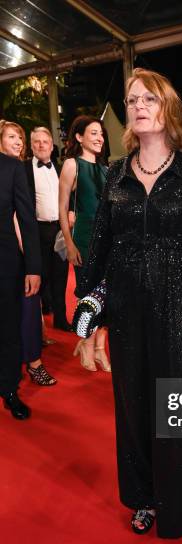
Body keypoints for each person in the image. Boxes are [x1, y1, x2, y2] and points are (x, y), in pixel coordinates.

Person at [75, 68, 182, 538]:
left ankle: (174, 504)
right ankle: (142, 496)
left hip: (176, 306)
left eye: (149, 98)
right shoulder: (115, 172)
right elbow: (99, 247)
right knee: (131, 405)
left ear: (168, 106)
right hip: (126, 305)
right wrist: (88, 309)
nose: (138, 105)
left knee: (175, 406)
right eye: (132, 100)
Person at [0, 120, 56, 387]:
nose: (18, 142)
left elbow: (25, 217)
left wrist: (31, 262)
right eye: (12, 137)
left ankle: (33, 363)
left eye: (20, 137)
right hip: (13, 252)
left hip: (22, 254)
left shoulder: (19, 169)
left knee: (28, 309)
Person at [59, 116, 110, 372]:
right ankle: (86, 345)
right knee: (89, 293)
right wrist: (68, 243)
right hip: (85, 240)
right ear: (79, 137)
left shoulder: (106, 168)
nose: (100, 138)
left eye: (101, 133)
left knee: (108, 295)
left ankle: (100, 347)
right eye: (93, 133)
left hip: (108, 242)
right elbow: (62, 207)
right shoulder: (72, 165)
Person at [0, 128, 41, 418]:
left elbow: (27, 219)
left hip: (5, 262)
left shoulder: (12, 168)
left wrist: (33, 268)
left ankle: (9, 389)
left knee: (9, 327)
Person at [25, 126, 70, 330]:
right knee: (39, 277)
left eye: (45, 141)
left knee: (60, 275)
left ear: (52, 146)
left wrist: (71, 214)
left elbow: (71, 196)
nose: (41, 145)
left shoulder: (61, 168)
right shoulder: (24, 169)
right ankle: (38, 323)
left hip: (60, 230)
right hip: (37, 231)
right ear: (31, 145)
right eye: (37, 141)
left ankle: (61, 319)